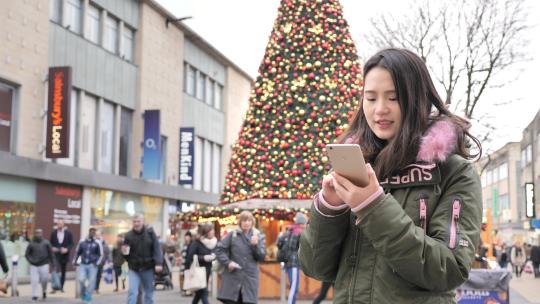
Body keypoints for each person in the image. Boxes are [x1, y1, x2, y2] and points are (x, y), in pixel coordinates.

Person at [299, 48, 483, 303]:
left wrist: (373, 207)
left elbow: (450, 268)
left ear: (417, 98)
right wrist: (330, 210)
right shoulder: (357, 165)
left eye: (393, 98)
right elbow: (315, 268)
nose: (380, 109)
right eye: (370, 98)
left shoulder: (454, 172)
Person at [216, 211, 267, 304]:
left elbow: (261, 257)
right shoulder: (233, 234)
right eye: (244, 220)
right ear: (240, 222)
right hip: (233, 278)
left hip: (250, 279)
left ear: (252, 222)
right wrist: (228, 262)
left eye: (248, 220)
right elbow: (219, 250)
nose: (246, 223)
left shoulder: (258, 236)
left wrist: (255, 246)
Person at [122, 213, 163, 304]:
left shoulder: (150, 233)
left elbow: (157, 249)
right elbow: (125, 254)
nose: (136, 224)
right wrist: (124, 252)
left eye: (138, 221)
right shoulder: (128, 235)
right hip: (134, 269)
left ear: (143, 222)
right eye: (134, 222)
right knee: (133, 292)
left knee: (149, 293)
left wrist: (158, 263)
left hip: (148, 268)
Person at [277, 212, 307, 304]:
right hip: (294, 262)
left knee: (293, 286)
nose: (305, 225)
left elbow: (279, 244)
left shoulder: (289, 230)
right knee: (294, 287)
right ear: (301, 223)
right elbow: (293, 247)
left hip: (289, 262)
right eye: (304, 223)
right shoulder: (298, 232)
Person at [185, 223, 218, 304]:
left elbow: (217, 252)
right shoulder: (197, 242)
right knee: (203, 292)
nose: (213, 232)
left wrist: (214, 256)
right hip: (197, 271)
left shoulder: (214, 242)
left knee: (199, 294)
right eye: (211, 230)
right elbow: (190, 256)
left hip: (207, 270)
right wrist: (203, 257)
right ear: (206, 232)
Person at [73, 227, 103, 304]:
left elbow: (101, 255)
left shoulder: (97, 242)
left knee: (91, 282)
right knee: (81, 279)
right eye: (91, 232)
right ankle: (83, 294)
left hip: (92, 265)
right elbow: (77, 252)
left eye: (94, 232)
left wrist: (96, 263)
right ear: (89, 232)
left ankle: (88, 296)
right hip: (83, 264)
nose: (92, 233)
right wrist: (75, 261)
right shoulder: (82, 241)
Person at [25, 229, 54, 302]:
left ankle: (44, 291)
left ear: (42, 234)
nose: (38, 234)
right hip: (34, 265)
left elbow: (51, 253)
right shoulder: (31, 243)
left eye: (40, 233)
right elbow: (27, 254)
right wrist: (31, 261)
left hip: (44, 264)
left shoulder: (46, 243)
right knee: (34, 280)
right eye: (37, 233)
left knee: (44, 279)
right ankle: (35, 295)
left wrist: (53, 263)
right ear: (35, 234)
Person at [49, 219, 74, 293]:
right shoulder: (53, 232)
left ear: (63, 224)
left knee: (63, 272)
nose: (59, 225)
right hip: (56, 254)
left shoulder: (68, 233)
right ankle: (54, 287)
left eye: (60, 224)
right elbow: (50, 243)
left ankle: (61, 287)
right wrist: (52, 248)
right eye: (58, 224)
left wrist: (67, 249)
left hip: (64, 255)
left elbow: (71, 243)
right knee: (55, 270)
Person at [94, 230, 111, 294]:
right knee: (93, 276)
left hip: (101, 262)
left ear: (101, 235)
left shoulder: (104, 243)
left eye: (98, 235)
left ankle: (96, 288)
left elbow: (108, 252)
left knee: (98, 276)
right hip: (93, 262)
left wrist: (110, 261)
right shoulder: (93, 242)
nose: (97, 236)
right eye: (96, 235)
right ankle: (93, 287)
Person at [180, 231, 193, 296]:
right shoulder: (185, 244)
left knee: (188, 277)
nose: (186, 237)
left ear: (190, 237)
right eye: (186, 236)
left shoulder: (191, 244)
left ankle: (188, 290)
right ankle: (186, 289)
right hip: (184, 263)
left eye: (188, 236)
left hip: (189, 263)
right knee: (185, 276)